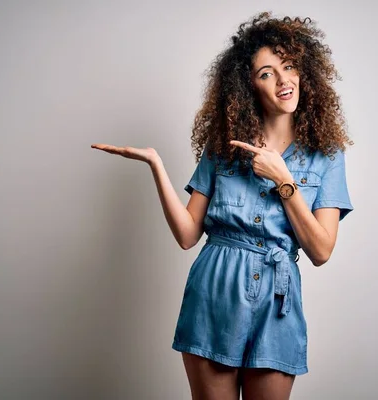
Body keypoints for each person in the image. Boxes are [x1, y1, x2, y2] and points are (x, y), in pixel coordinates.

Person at [92, 11, 354, 400]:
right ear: (249, 85)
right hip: (215, 291)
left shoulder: (326, 155)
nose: (283, 80)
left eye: (289, 66)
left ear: (304, 72)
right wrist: (156, 165)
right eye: (267, 72)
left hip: (277, 304)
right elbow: (186, 235)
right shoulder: (223, 148)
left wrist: (283, 180)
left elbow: (321, 250)